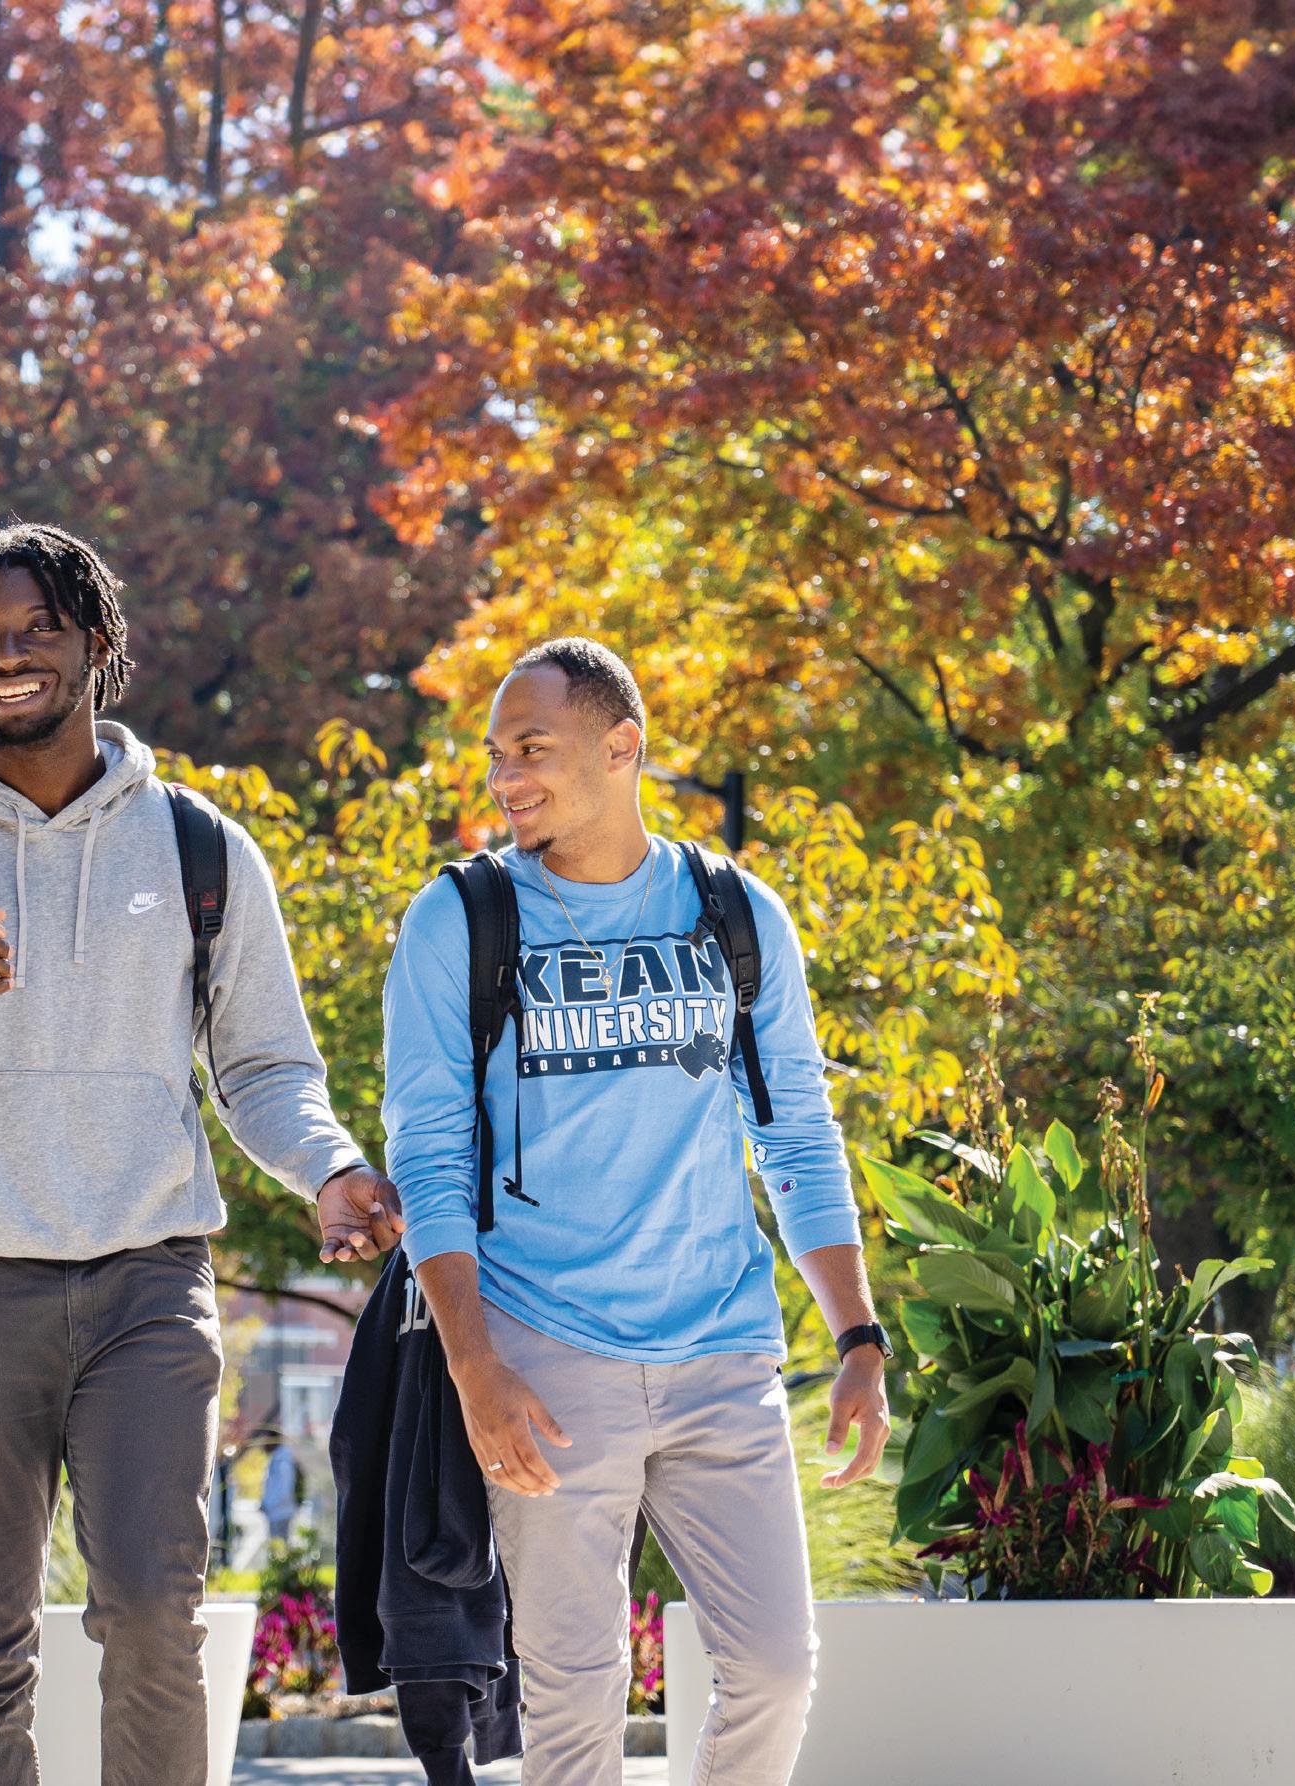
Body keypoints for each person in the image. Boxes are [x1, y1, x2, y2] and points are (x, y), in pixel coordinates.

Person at [0, 522, 404, 1786]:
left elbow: (262, 1067)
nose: (7, 657)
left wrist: (330, 1165)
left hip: (146, 1283)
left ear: (97, 643)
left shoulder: (195, 847)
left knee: (154, 1615)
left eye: (37, 630)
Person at [380, 638, 894, 1786]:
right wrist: (474, 1366)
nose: (504, 777)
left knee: (774, 1669)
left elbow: (794, 1135)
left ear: (621, 747)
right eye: (494, 754)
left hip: (721, 1348)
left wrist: (855, 1333)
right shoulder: (458, 919)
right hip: (545, 1354)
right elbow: (427, 1152)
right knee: (573, 1698)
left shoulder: (732, 912)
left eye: (531, 749)